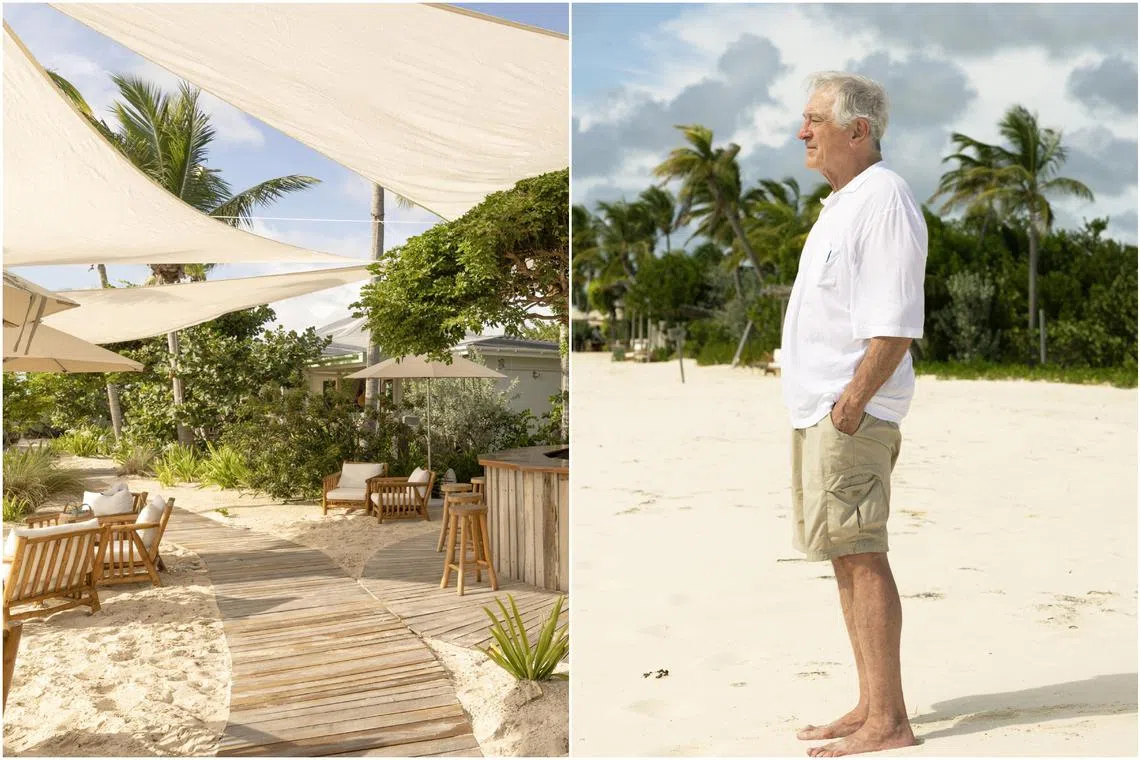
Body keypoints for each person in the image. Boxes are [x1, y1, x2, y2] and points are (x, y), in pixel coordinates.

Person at [780, 71, 927, 757]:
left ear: (856, 129)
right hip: (821, 412)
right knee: (844, 555)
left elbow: (895, 325)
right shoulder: (841, 203)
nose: (801, 131)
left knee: (863, 555)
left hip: (849, 415)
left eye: (813, 119)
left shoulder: (884, 199)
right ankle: (871, 702)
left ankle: (890, 722)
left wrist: (850, 404)